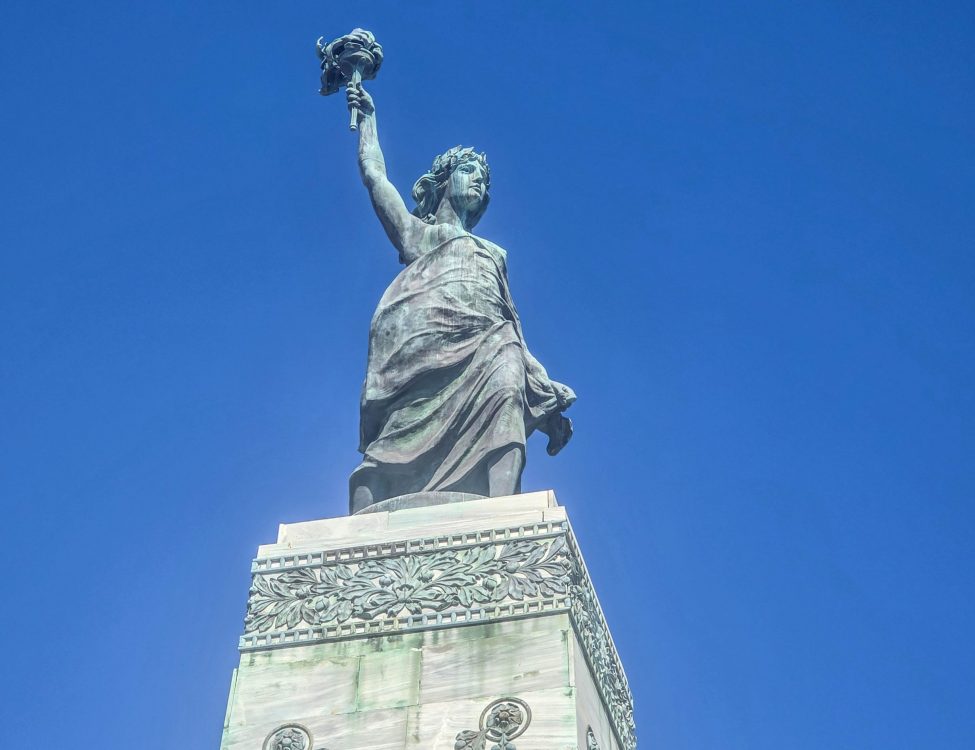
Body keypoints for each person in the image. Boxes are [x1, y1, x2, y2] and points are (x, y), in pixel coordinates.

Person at [345, 82, 575, 514]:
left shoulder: (495, 254)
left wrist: (543, 396)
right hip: (420, 348)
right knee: (398, 434)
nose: (479, 181)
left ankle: (502, 519)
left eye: (484, 179)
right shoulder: (419, 235)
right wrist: (368, 122)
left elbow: (512, 323)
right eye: (469, 171)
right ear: (444, 181)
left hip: (488, 344)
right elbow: (375, 176)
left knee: (506, 383)